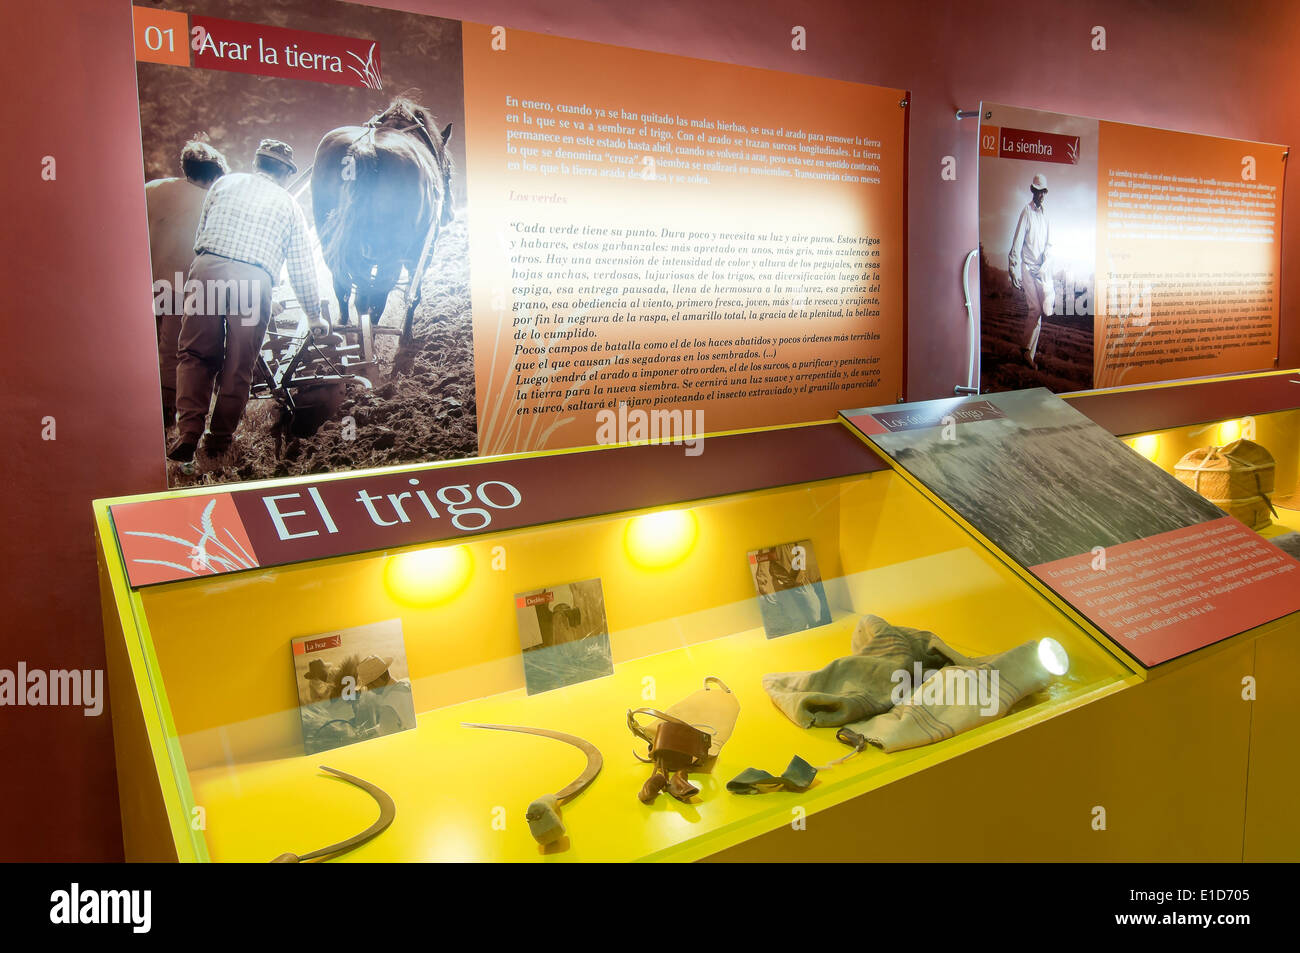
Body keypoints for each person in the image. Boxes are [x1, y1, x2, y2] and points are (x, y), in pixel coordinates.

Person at [169, 139, 324, 463]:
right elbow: (301, 268)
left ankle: (188, 433)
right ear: (285, 173)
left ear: (257, 163)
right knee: (239, 364)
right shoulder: (290, 207)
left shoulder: (224, 183)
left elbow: (201, 236)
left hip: (208, 269)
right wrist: (314, 315)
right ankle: (218, 441)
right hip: (254, 281)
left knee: (195, 355)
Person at [145, 140, 228, 429]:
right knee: (171, 351)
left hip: (144, 279)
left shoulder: (152, 188)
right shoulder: (210, 202)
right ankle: (166, 415)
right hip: (178, 286)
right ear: (213, 175)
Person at [1007, 173, 1054, 369]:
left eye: (1043, 191)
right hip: (1026, 267)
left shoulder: (1047, 215)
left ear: (1045, 193)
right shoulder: (1026, 212)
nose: (1040, 195)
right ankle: (1026, 353)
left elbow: (1049, 244)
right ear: (1032, 191)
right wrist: (1013, 267)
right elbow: (1017, 241)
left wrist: (1046, 264)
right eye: (1037, 191)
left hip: (1042, 269)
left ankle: (1028, 353)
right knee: (1035, 308)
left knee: (1043, 310)